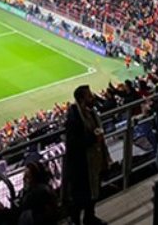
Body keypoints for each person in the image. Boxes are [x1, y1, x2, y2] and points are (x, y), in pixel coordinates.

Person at [62, 85, 109, 225]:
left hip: (94, 159)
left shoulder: (91, 112)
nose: (93, 97)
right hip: (81, 164)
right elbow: (73, 143)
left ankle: (89, 217)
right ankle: (76, 221)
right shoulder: (74, 117)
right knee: (79, 197)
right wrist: (94, 139)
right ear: (82, 99)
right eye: (89, 96)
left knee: (94, 191)